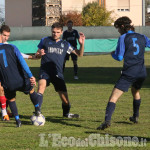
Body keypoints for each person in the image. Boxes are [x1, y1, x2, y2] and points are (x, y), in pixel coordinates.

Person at [97, 16, 149, 130]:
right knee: (135, 92)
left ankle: (107, 121)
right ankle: (135, 117)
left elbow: (119, 57)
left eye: (118, 29)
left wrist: (112, 54)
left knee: (113, 98)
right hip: (141, 72)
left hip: (129, 72)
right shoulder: (142, 36)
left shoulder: (123, 38)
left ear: (122, 27)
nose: (118, 32)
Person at [36, 22, 85, 118]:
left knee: (65, 101)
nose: (55, 34)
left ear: (61, 32)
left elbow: (80, 54)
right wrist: (39, 54)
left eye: (58, 32)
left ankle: (66, 114)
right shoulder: (44, 40)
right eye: (53, 32)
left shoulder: (65, 44)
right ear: (51, 31)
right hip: (45, 71)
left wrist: (81, 44)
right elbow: (36, 55)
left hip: (58, 73)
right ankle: (37, 111)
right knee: (41, 86)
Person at [0, 29, 42, 127]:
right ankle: (37, 109)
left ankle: (18, 121)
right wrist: (31, 75)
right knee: (31, 90)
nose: (6, 37)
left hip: (8, 82)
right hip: (20, 80)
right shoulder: (12, 47)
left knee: (11, 99)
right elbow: (22, 62)